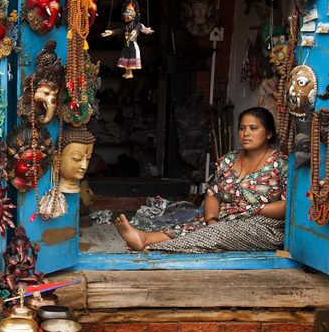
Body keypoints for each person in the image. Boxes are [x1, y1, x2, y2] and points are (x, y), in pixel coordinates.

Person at [115, 107, 287, 253]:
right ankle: (144, 237)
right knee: (192, 226)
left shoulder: (280, 163)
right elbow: (212, 194)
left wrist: (254, 209)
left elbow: (288, 206)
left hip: (262, 225)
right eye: (242, 128)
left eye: (253, 128)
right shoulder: (229, 159)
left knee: (221, 232)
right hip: (225, 218)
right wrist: (211, 219)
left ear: (269, 133)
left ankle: (156, 248)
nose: (246, 134)